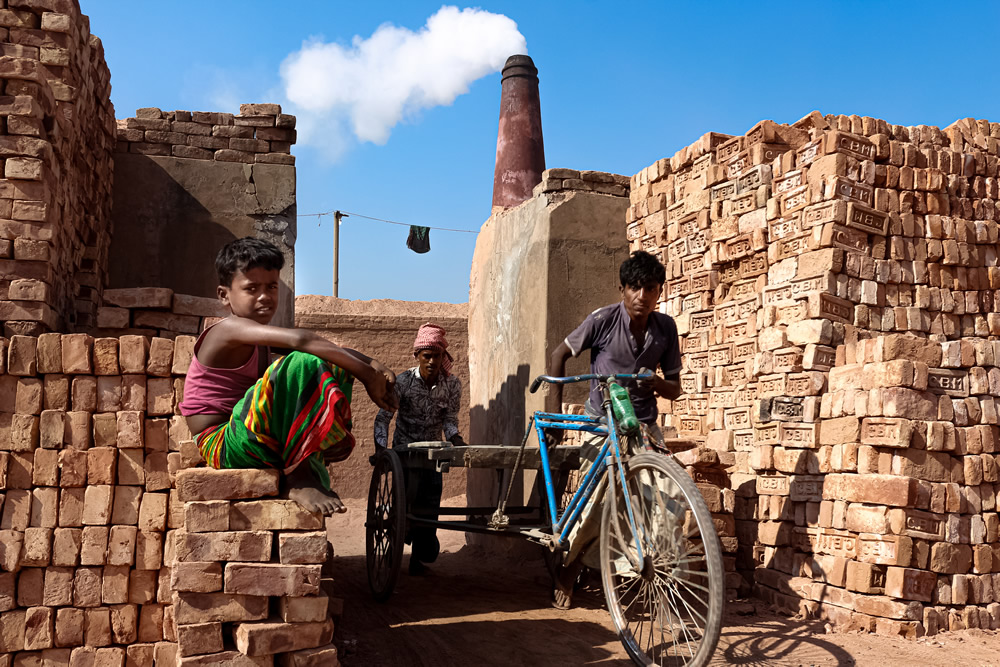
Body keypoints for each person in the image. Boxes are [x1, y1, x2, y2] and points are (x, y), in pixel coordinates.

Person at [179, 237, 398, 516]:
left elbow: (328, 350)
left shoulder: (258, 337)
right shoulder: (227, 330)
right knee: (301, 362)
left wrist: (371, 362)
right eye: (251, 288)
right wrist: (367, 375)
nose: (264, 296)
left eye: (271, 287)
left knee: (332, 362)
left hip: (253, 436)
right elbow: (302, 341)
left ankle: (313, 451)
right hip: (223, 443)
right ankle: (298, 475)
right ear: (224, 295)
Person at [543, 250, 682, 609]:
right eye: (634, 287)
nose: (642, 296)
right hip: (602, 425)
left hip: (643, 428)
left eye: (650, 288)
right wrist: (554, 416)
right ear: (621, 289)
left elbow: (675, 388)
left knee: (669, 501)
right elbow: (559, 355)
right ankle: (570, 568)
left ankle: (651, 574)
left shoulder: (665, 328)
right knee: (599, 501)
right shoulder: (602, 320)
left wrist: (654, 382)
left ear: (659, 291)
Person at [374, 323, 465, 575]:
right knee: (405, 502)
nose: (432, 361)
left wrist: (456, 438)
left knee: (430, 504)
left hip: (433, 453)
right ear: (417, 356)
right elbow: (383, 418)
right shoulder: (402, 382)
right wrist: (381, 449)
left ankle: (418, 559)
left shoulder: (453, 385)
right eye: (427, 356)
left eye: (437, 356)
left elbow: (450, 419)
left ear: (443, 357)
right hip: (404, 452)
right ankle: (392, 555)